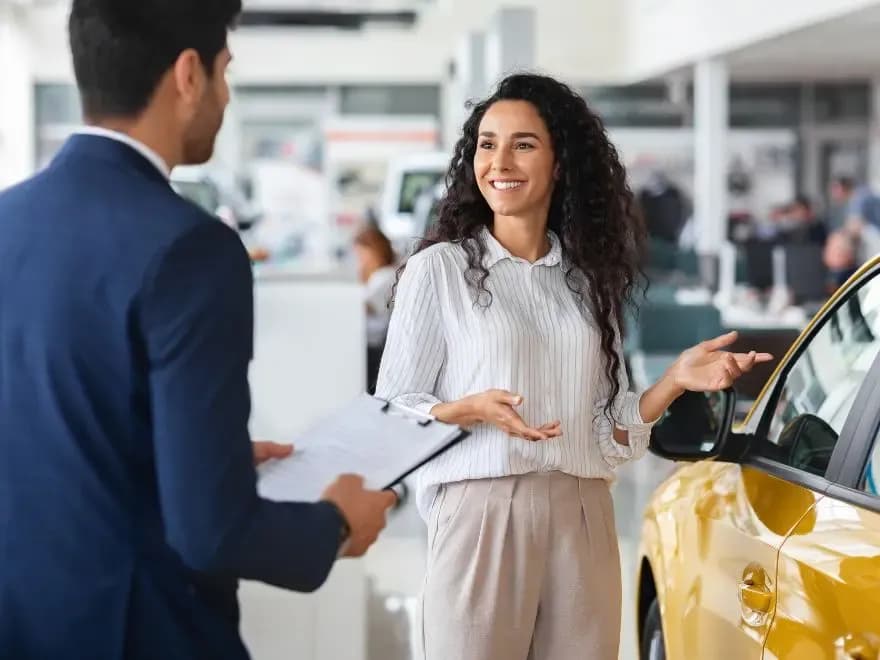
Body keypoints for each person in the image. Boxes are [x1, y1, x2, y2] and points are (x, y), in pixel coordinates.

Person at [0, 2, 395, 659]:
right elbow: (210, 532)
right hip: (142, 632)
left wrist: (208, 460)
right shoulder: (189, 249)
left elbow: (53, 433)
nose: (225, 95)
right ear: (188, 75)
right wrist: (335, 524)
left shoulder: (8, 222)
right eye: (224, 71)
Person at [376, 73, 771, 660]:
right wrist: (465, 410)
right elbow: (390, 414)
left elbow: (607, 433)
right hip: (481, 514)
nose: (500, 161)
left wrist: (672, 382)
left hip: (582, 513)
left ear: (560, 162)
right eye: (487, 143)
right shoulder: (438, 272)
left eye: (523, 144)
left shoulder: (586, 283)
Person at [352, 225, 397, 393]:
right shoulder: (376, 275)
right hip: (368, 341)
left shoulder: (385, 275)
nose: (360, 259)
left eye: (362, 253)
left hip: (373, 344)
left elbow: (366, 307)